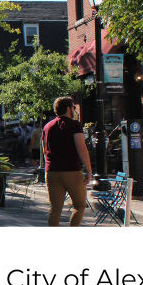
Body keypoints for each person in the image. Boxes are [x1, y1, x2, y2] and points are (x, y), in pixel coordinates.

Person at [42, 97, 93, 227]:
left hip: (51, 171)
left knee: (55, 208)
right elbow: (81, 147)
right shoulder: (74, 125)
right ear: (69, 109)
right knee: (80, 205)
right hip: (72, 170)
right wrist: (88, 169)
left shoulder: (47, 127)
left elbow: (44, 150)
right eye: (74, 108)